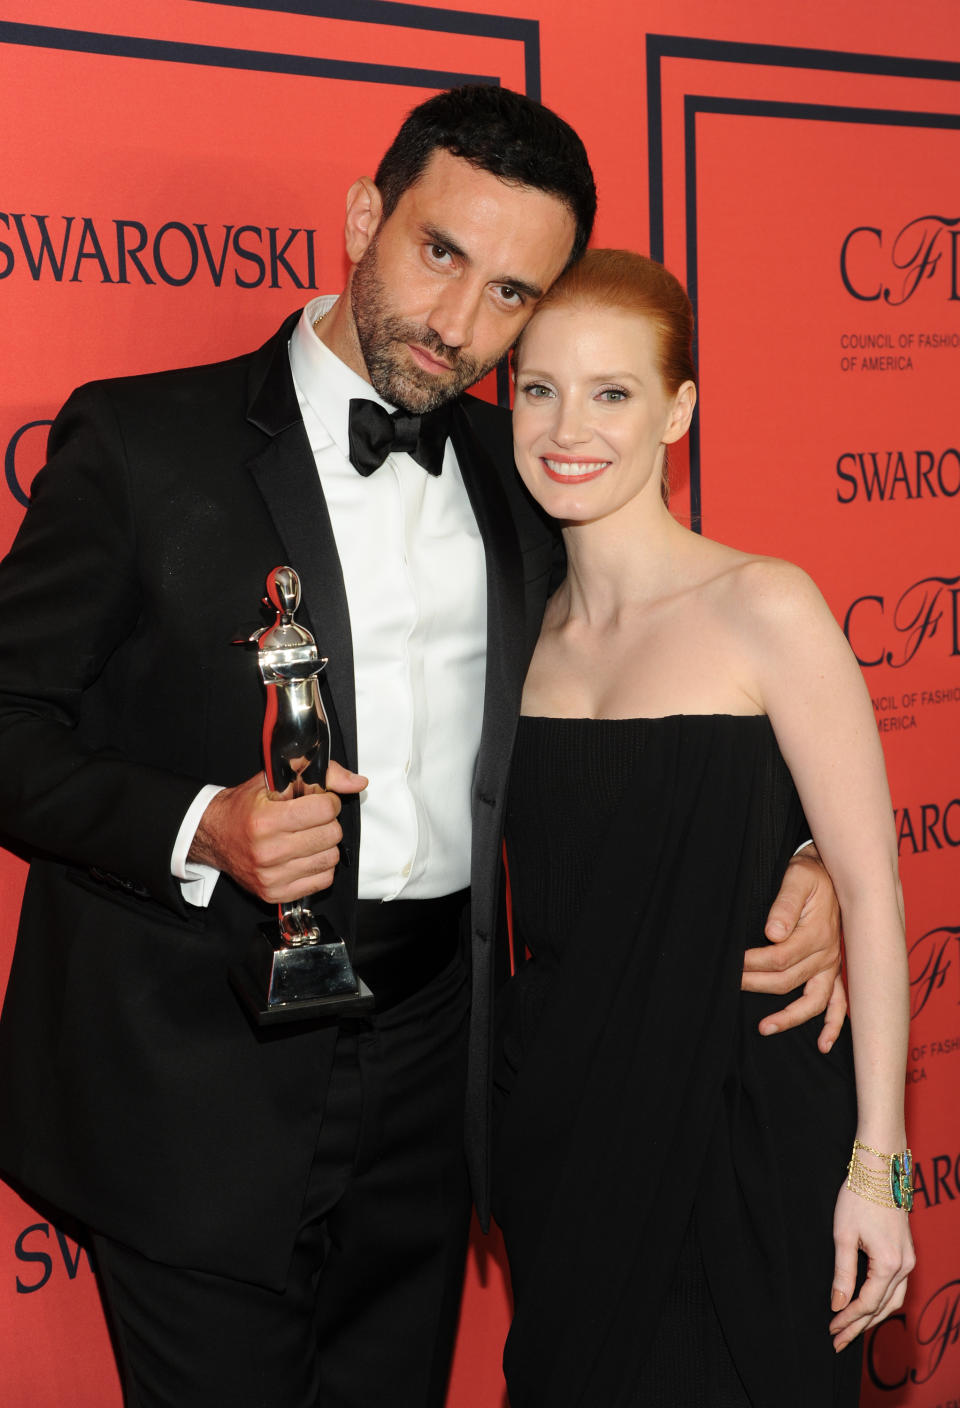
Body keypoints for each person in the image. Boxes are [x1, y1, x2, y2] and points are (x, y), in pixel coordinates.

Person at [0, 88, 842, 1408]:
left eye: (513, 294)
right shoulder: (141, 444)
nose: (459, 327)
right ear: (363, 216)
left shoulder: (534, 480)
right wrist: (199, 828)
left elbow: (652, 692)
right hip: (191, 1089)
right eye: (439, 253)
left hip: (441, 1084)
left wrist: (805, 862)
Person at [492, 249, 915, 1407]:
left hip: (746, 1133)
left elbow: (874, 894)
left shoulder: (763, 604)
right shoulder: (505, 638)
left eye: (612, 392)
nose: (568, 426)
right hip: (568, 1138)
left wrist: (880, 1169)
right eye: (539, 388)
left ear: (678, 409)